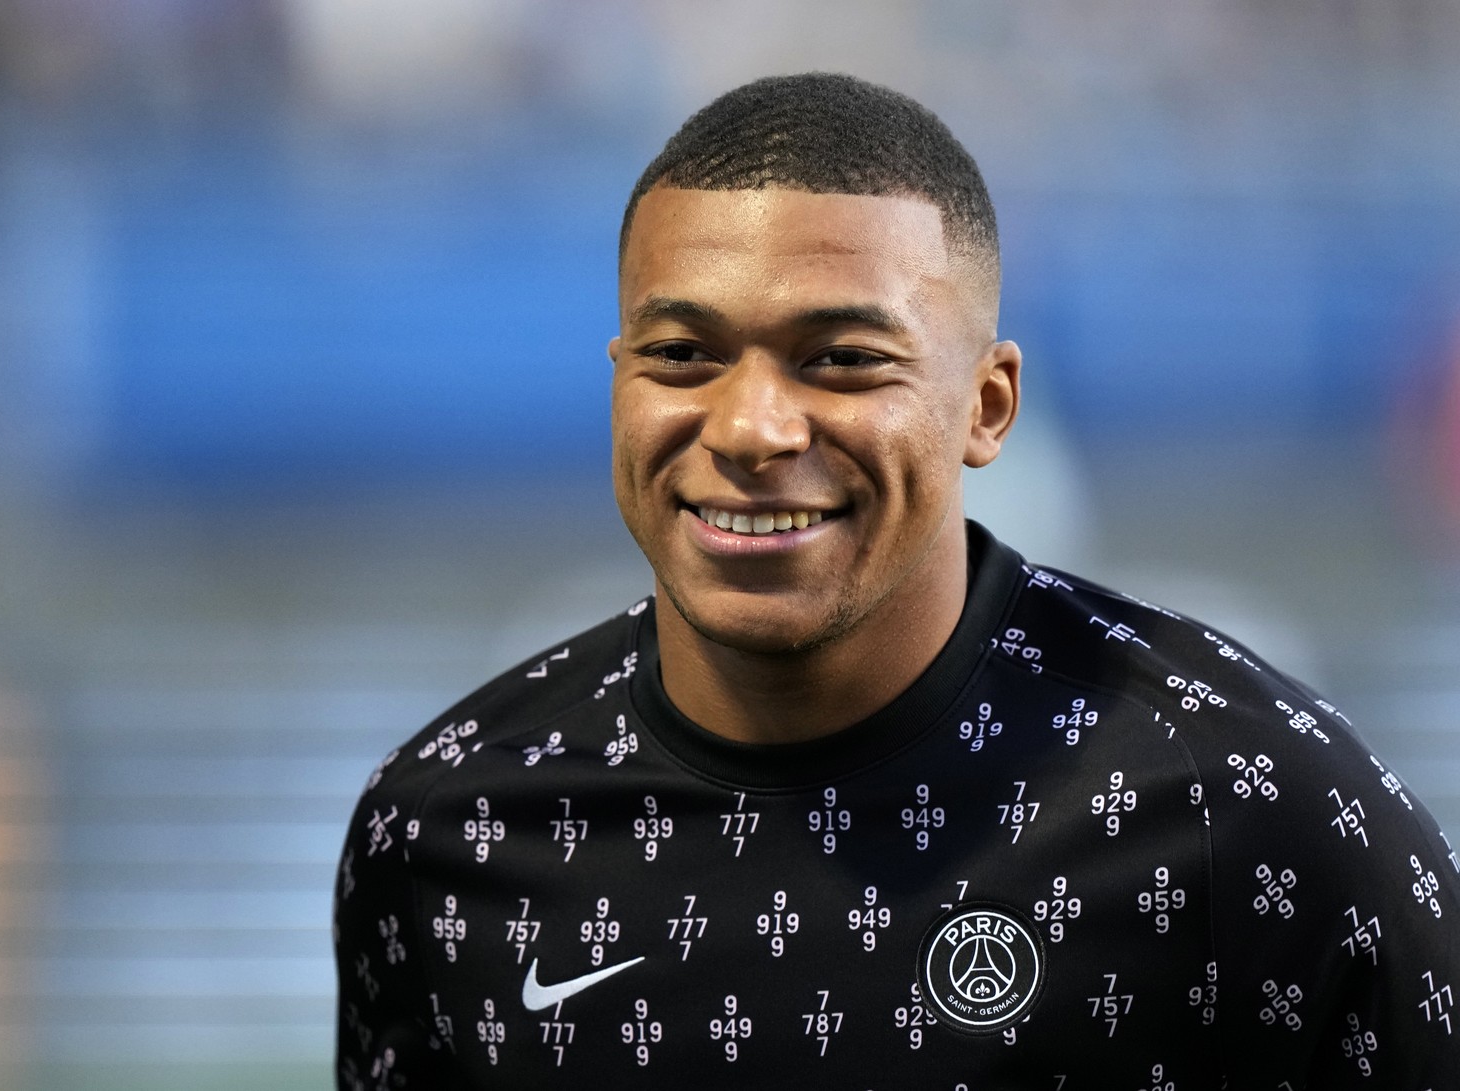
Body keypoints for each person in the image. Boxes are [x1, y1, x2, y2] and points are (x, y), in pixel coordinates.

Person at [333, 73, 1460, 1089]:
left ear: (987, 406)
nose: (754, 426)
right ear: (620, 379)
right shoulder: (447, 824)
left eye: (843, 359)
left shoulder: (1258, 808)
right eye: (683, 354)